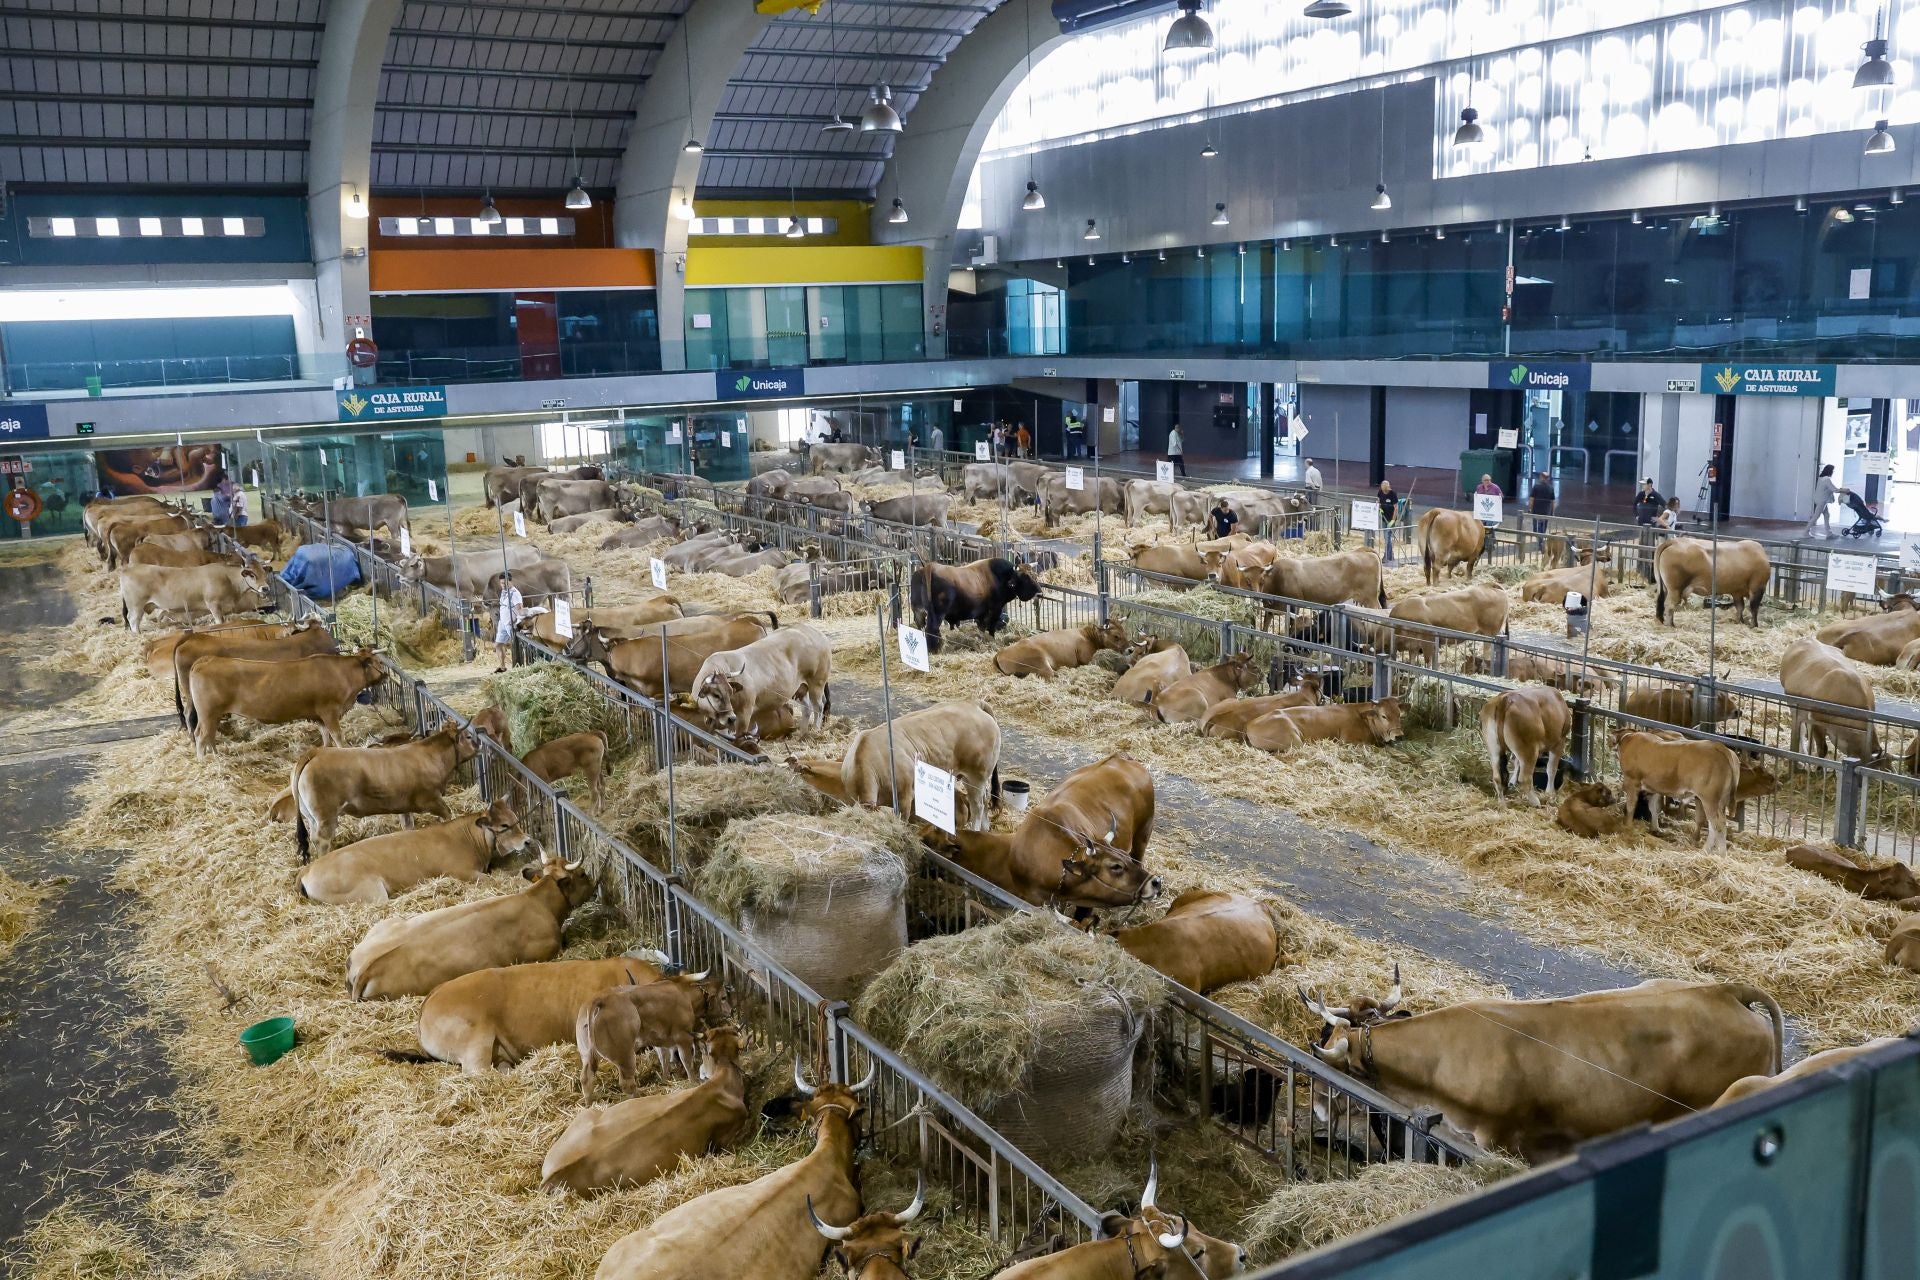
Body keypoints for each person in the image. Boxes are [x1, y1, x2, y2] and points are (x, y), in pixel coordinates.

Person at [493, 571, 524, 673]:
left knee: (515, 645)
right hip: (503, 622)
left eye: (505, 583)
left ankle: (519, 667)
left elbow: (520, 609)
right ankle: (502, 667)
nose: (503, 585)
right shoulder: (503, 592)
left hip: (511, 623)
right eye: (501, 583)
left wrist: (515, 621)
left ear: (510, 581)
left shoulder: (515, 594)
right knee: (498, 645)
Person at [1807, 464, 1843, 538]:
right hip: (1822, 501)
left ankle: (1829, 533)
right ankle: (1805, 532)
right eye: (1832, 470)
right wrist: (1843, 490)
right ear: (1829, 471)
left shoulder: (1821, 478)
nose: (1833, 472)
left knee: (1827, 515)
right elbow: (1834, 489)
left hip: (1819, 499)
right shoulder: (1826, 479)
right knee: (1816, 517)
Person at [1528, 470, 1556, 549]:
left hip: (1536, 511)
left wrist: (1530, 509)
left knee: (1536, 527)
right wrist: (1553, 512)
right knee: (1543, 527)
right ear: (1547, 479)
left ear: (1541, 477)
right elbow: (1553, 501)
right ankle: (1541, 539)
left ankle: (1540, 541)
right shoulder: (1551, 488)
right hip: (1546, 511)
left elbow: (1531, 499)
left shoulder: (1536, 487)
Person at [1377, 479, 1400, 563]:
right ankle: (1391, 555)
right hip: (1384, 518)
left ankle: (1386, 556)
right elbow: (1378, 502)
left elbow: (1396, 508)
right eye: (1382, 488)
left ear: (1388, 487)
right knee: (1386, 537)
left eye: (1385, 488)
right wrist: (1379, 509)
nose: (1383, 490)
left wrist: (1393, 520)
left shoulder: (1393, 494)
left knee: (1388, 537)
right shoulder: (1380, 492)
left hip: (1390, 520)